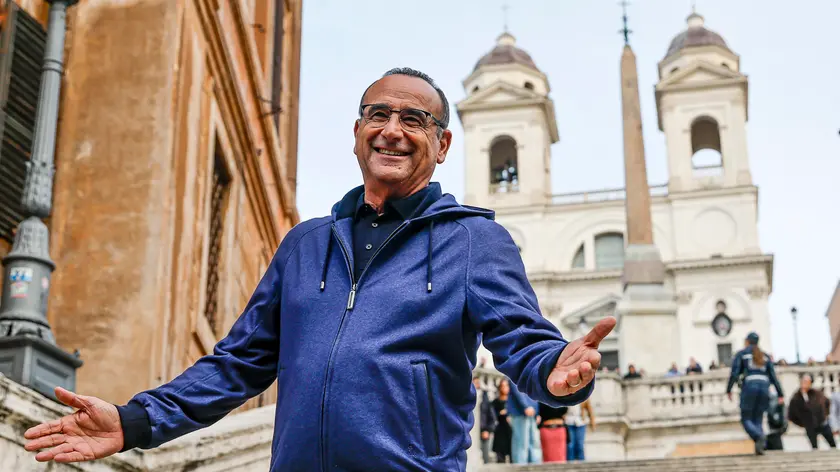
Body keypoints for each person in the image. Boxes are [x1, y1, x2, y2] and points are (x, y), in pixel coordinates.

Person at [22, 68, 616, 471]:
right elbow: (237, 364)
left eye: (414, 120)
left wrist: (558, 369)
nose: (392, 130)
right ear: (358, 134)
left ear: (441, 146)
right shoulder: (305, 244)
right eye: (378, 114)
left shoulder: (474, 240)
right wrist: (134, 421)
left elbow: (525, 342)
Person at [726, 332, 784, 455]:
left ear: (747, 341)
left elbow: (735, 373)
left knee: (746, 418)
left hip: (750, 387)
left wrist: (729, 389)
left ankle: (759, 436)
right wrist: (780, 394)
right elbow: (773, 377)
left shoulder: (742, 354)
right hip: (764, 388)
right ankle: (760, 446)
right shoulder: (765, 356)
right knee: (758, 418)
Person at [788, 374, 837, 449]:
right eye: (804, 381)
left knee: (832, 444)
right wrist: (802, 423)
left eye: (807, 382)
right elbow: (791, 414)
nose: (805, 383)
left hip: (822, 423)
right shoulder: (796, 397)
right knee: (814, 447)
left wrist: (825, 415)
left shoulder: (817, 393)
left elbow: (827, 403)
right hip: (809, 426)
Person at [507, 380, 542, 464]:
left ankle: (536, 465)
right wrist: (525, 407)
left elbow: (535, 393)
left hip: (532, 413)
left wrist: (537, 413)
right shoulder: (514, 374)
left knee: (534, 441)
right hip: (519, 413)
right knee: (521, 442)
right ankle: (520, 465)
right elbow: (517, 391)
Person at [474, 376, 497, 464]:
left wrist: (487, 430)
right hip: (470, 432)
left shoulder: (484, 398)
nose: (475, 385)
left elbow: (491, 416)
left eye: (477, 383)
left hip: (483, 431)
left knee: (485, 458)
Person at [492, 379, 513, 464]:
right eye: (502, 386)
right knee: (500, 456)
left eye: (506, 386)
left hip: (511, 430)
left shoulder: (513, 402)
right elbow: (492, 415)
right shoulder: (496, 401)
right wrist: (501, 413)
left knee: (513, 455)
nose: (504, 388)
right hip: (501, 430)